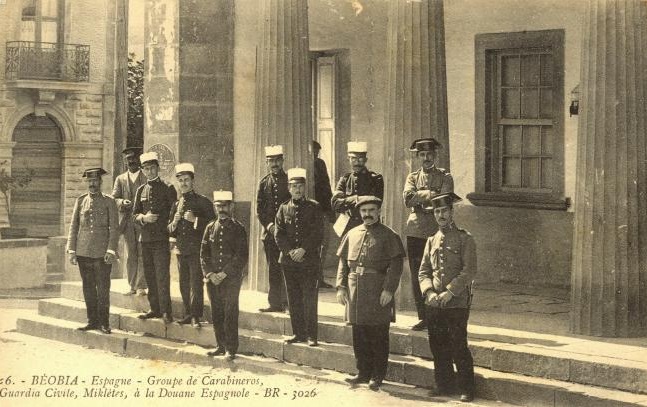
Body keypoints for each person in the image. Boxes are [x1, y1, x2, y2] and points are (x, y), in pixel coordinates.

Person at [336, 196, 405, 391]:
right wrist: (340, 287)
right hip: (355, 290)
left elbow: (396, 265)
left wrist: (389, 290)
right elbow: (343, 262)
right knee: (359, 333)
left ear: (378, 212)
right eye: (364, 211)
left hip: (377, 290)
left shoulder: (389, 235)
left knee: (378, 334)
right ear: (360, 213)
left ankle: (377, 374)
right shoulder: (352, 233)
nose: (367, 214)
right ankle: (362, 372)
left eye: (371, 210)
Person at [419, 192, 476, 402]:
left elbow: (469, 271)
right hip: (434, 303)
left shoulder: (465, 238)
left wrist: (450, 292)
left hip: (456, 303)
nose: (440, 215)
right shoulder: (431, 240)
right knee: (437, 345)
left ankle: (466, 388)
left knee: (458, 345)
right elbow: (423, 271)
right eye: (437, 211)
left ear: (452, 212)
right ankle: (443, 384)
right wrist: (429, 292)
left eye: (444, 210)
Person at [403, 138, 454, 331]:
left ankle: (440, 314)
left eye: (429, 154)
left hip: (437, 230)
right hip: (416, 231)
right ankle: (423, 316)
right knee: (419, 274)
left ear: (435, 155)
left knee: (440, 272)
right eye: (422, 155)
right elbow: (408, 199)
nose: (426, 158)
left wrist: (422, 196)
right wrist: (431, 193)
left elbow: (445, 199)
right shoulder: (412, 178)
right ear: (418, 157)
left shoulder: (445, 176)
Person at [274, 168, 324, 346]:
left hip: (309, 260)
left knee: (309, 298)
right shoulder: (283, 208)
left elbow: (318, 233)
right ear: (289, 188)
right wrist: (289, 252)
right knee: (293, 298)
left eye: (300, 186)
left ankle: (311, 335)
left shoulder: (314, 207)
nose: (297, 190)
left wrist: (303, 249)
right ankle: (298, 333)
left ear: (305, 188)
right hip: (289, 261)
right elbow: (278, 233)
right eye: (294, 186)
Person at [66, 168, 119, 334]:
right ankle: (92, 321)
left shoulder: (109, 201)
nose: (92, 184)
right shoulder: (81, 201)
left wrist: (111, 250)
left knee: (103, 289)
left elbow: (114, 229)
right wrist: (72, 250)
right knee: (88, 288)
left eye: (95, 181)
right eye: (89, 182)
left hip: (102, 253)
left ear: (101, 183)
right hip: (83, 252)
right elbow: (74, 226)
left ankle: (104, 323)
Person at [201, 191, 248, 361]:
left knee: (230, 312)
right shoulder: (209, 227)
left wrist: (224, 273)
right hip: (213, 280)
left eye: (225, 206)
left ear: (231, 207)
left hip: (231, 280)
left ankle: (231, 348)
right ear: (214, 207)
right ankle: (220, 346)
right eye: (218, 206)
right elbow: (203, 254)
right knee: (217, 313)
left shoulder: (238, 228)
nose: (222, 209)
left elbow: (241, 256)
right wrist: (211, 274)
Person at [132, 151, 177, 323]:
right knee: (150, 275)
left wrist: (172, 237)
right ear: (142, 170)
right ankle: (155, 308)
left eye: (152, 168)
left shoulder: (168, 188)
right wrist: (143, 218)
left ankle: (166, 311)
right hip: (146, 240)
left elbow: (174, 214)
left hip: (161, 239)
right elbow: (134, 215)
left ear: (158, 168)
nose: (149, 172)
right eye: (146, 169)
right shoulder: (140, 190)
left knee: (162, 275)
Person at [168, 163, 215, 328]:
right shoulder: (176, 204)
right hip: (181, 249)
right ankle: (188, 313)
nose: (183, 183)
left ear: (192, 181)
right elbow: (170, 228)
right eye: (180, 180)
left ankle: (196, 315)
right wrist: (172, 226)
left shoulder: (203, 202)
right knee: (184, 282)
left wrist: (195, 220)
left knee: (196, 282)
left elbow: (212, 225)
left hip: (196, 249)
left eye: (186, 180)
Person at [256, 145, 290, 312]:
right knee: (273, 269)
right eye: (271, 161)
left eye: (277, 160)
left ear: (282, 161)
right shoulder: (264, 183)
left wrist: (284, 229)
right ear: (267, 163)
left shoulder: (290, 181)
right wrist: (269, 226)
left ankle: (289, 302)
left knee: (288, 268)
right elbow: (260, 209)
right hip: (270, 235)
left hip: (287, 235)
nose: (274, 164)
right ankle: (274, 303)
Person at [111, 146, 147, 296]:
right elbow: (113, 198)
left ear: (138, 160)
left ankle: (141, 286)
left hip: (142, 222)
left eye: (133, 158)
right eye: (128, 159)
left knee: (142, 253)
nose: (131, 161)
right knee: (131, 254)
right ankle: (132, 285)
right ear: (125, 162)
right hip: (127, 223)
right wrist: (121, 202)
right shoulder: (120, 179)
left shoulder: (145, 178)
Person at [331, 141, 384, 237]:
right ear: (349, 159)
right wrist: (356, 199)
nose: (357, 163)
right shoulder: (345, 179)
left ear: (365, 160)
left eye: (360, 159)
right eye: (353, 159)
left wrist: (347, 201)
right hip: (348, 228)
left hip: (369, 225)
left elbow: (375, 201)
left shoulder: (375, 179)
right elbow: (335, 203)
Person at [312, 140, 334, 289]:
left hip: (321, 210)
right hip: (308, 211)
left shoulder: (320, 164)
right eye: (313, 152)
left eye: (316, 152)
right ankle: (313, 279)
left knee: (322, 246)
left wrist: (330, 210)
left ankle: (319, 278)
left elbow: (326, 187)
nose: (315, 155)